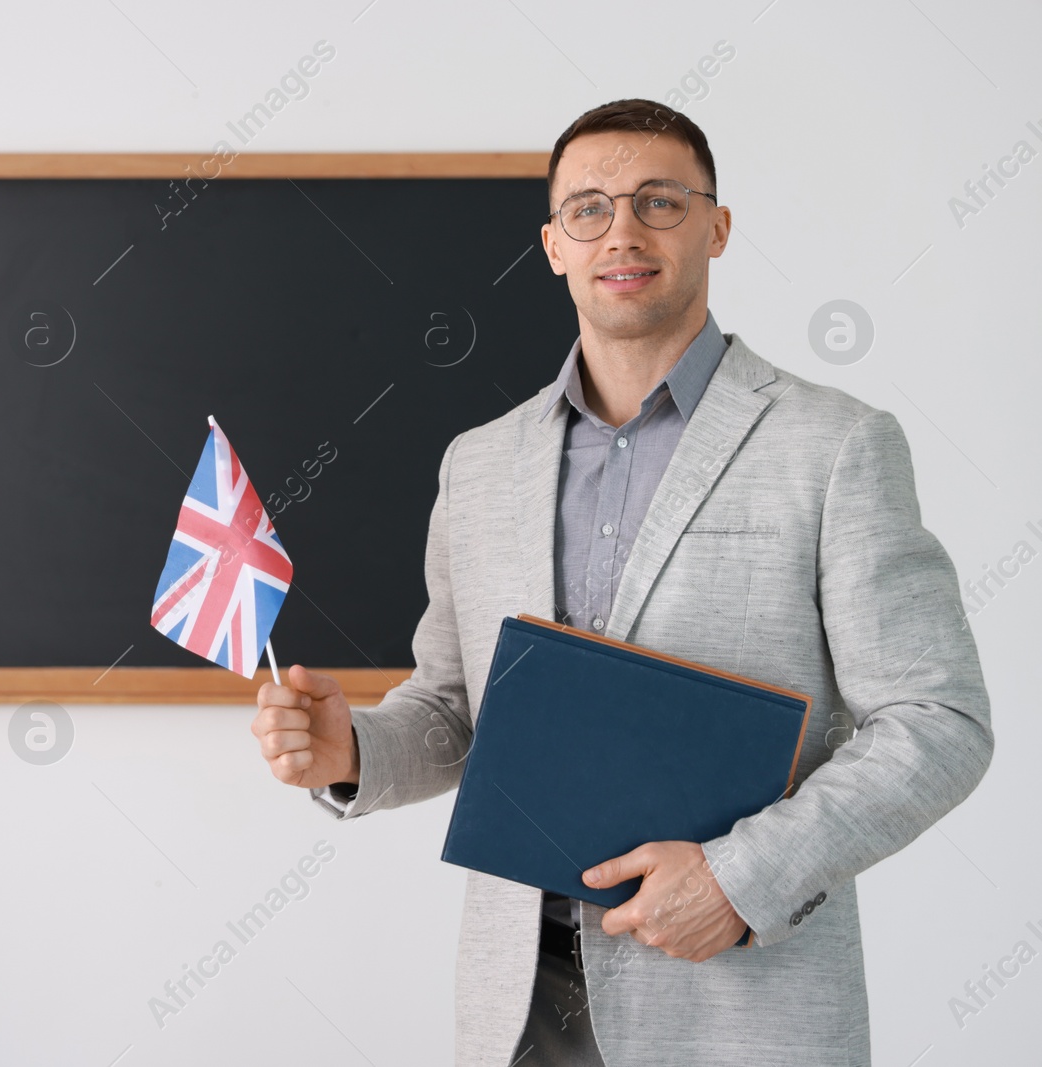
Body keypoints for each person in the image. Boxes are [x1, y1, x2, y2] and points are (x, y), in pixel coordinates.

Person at [250, 98, 993, 1066]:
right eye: (589, 208)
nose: (623, 232)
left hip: (739, 1005)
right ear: (553, 244)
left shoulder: (836, 444)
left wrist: (738, 877)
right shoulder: (479, 463)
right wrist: (355, 749)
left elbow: (937, 719)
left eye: (659, 201)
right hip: (518, 1003)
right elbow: (455, 707)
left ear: (717, 226)